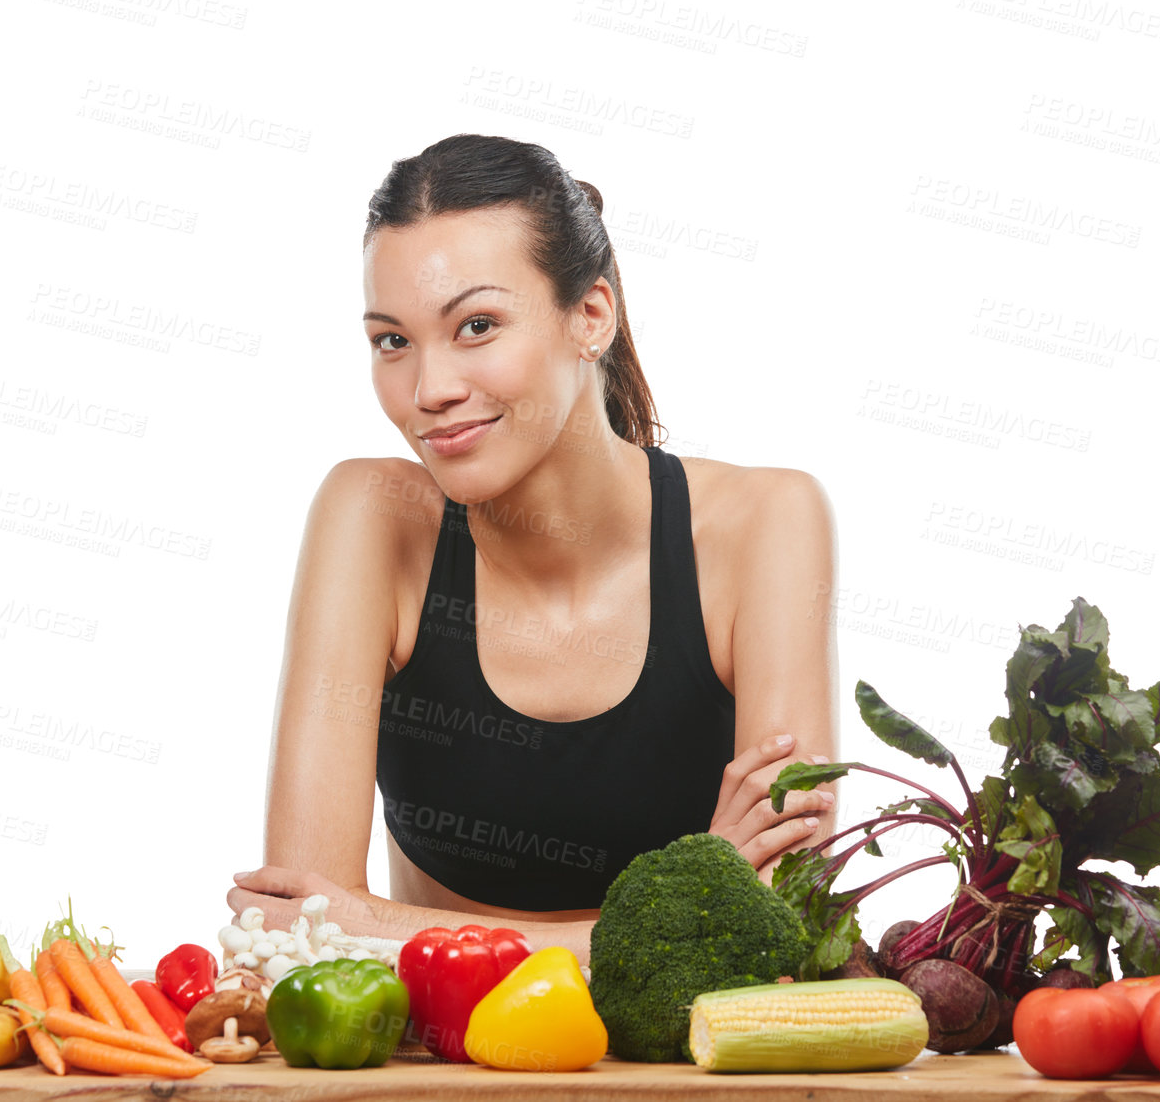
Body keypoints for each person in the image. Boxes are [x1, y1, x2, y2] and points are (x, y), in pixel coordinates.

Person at [227, 134, 838, 965]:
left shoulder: (766, 522)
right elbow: (297, 936)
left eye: (476, 326)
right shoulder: (370, 517)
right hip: (447, 1081)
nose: (429, 390)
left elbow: (780, 922)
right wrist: (677, 916)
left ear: (591, 315)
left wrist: (381, 922)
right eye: (392, 341)